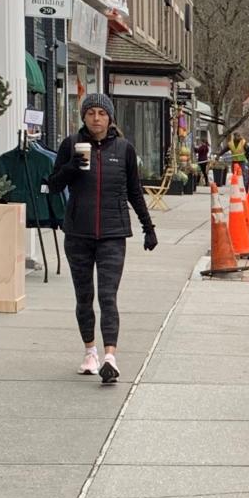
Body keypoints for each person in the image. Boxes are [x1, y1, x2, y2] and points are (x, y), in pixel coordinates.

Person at [47, 92, 157, 384]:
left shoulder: (124, 150)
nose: (96, 118)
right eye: (91, 112)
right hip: (78, 234)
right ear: (83, 116)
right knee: (84, 297)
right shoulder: (70, 145)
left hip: (112, 234)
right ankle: (89, 352)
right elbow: (54, 185)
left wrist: (148, 227)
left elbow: (135, 191)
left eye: (102, 113)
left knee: (108, 297)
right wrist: (71, 167)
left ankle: (110, 356)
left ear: (110, 118)